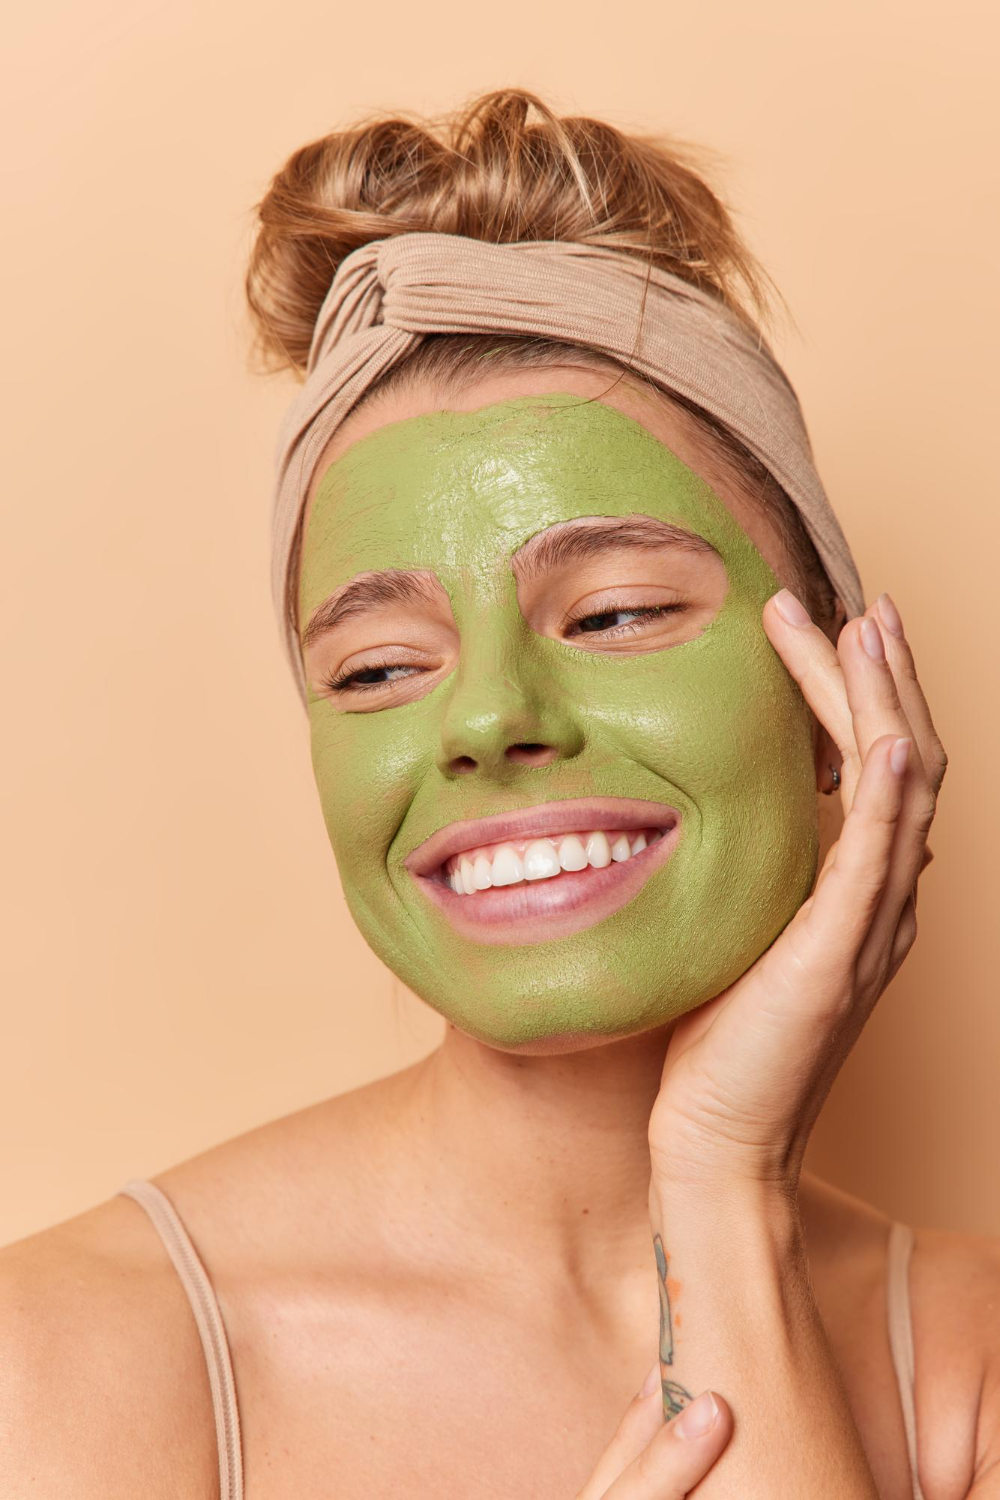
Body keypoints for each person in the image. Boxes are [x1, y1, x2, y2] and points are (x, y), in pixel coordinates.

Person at [1, 88, 995, 1499]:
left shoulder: (970, 1361)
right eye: (378, 668)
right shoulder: (61, 1367)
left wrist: (720, 1187)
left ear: (836, 694)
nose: (483, 719)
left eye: (616, 613)